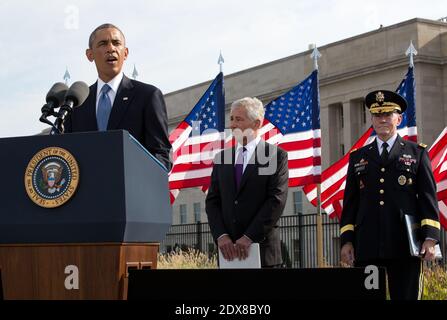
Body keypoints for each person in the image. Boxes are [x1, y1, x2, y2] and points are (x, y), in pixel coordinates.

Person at [340, 90, 441, 300]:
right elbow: (350, 203)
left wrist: (430, 238)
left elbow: (427, 199)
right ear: (372, 119)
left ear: (399, 118)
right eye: (377, 115)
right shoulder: (358, 157)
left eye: (388, 114)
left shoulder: (417, 153)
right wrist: (347, 241)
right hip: (367, 245)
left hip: (404, 245)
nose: (382, 119)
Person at [65, 23, 172, 171]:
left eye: (116, 43)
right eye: (103, 44)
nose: (111, 48)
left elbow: (161, 155)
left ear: (126, 53)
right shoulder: (77, 102)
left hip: (132, 190)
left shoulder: (147, 95)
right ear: (90, 55)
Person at [205, 97, 289, 268]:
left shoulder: (275, 156)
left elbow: (276, 200)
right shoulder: (222, 158)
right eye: (231, 119)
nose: (232, 125)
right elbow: (213, 201)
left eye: (238, 119)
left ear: (257, 124)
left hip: (263, 255)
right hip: (228, 256)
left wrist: (249, 236)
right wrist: (221, 236)